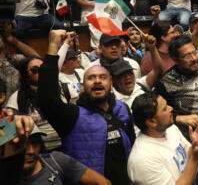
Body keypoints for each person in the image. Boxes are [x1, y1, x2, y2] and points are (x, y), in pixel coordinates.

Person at [37, 30, 136, 185]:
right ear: (82, 87)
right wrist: (53, 46)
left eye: (102, 77)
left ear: (111, 84)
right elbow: (46, 99)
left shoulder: (122, 109)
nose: (97, 81)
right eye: (91, 78)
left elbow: (132, 147)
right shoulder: (71, 115)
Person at [155, 34, 198, 162]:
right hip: (187, 136)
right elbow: (160, 114)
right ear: (175, 59)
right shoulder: (166, 81)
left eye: (195, 53)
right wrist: (179, 118)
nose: (194, 58)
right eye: (187, 56)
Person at [127, 93, 198, 185]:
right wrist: (196, 158)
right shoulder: (143, 161)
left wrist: (196, 146)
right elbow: (193, 160)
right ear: (151, 122)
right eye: (165, 109)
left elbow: (186, 155)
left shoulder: (170, 129)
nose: (171, 108)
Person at [19, 125, 111, 185]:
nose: (31, 151)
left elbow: (103, 182)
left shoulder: (55, 161)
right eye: (23, 144)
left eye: (35, 143)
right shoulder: (5, 176)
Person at [6, 57, 62, 151]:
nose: (41, 73)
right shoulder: (17, 98)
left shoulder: (60, 90)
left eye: (44, 69)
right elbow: (6, 132)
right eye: (35, 70)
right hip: (38, 150)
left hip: (66, 145)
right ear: (26, 74)